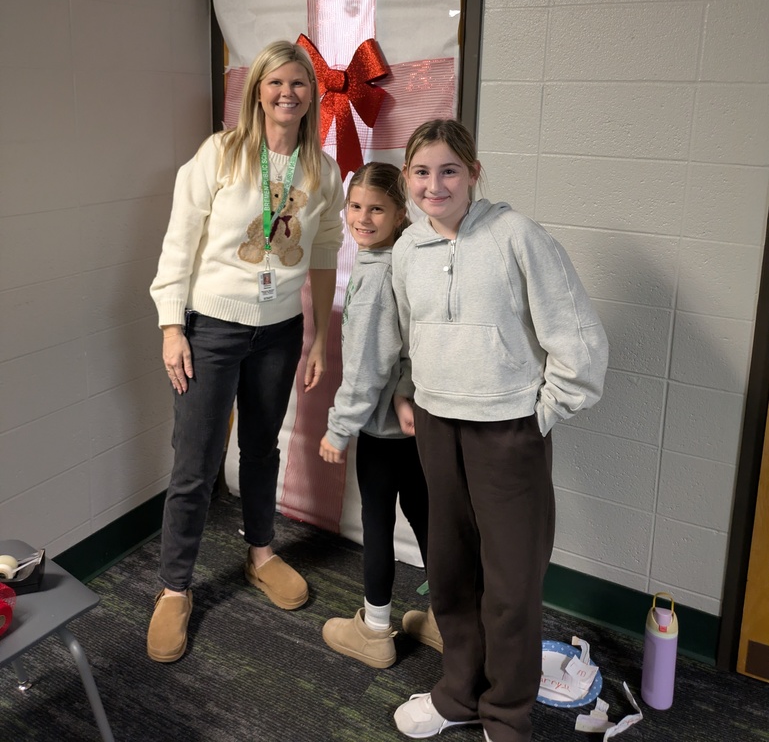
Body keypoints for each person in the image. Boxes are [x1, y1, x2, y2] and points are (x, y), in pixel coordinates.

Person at [391, 119, 609, 742]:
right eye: (422, 172)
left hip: (507, 430)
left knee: (511, 584)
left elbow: (577, 334)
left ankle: (506, 713)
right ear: (408, 179)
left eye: (449, 170)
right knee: (452, 573)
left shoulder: (516, 237)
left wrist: (545, 410)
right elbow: (411, 333)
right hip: (437, 427)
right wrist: (410, 392)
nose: (436, 185)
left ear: (474, 173)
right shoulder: (407, 249)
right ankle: (459, 692)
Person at [147, 40, 344, 663]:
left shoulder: (323, 170)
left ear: (313, 96)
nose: (288, 94)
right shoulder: (221, 156)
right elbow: (179, 245)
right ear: (256, 90)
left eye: (300, 85)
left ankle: (260, 552)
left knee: (262, 447)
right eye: (276, 83)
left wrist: (316, 336)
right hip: (213, 327)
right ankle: (174, 588)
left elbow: (322, 255)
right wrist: (171, 327)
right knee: (196, 461)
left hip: (280, 331)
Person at [318, 162, 441, 669]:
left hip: (382, 433)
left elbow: (367, 367)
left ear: (399, 212)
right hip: (419, 425)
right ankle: (448, 619)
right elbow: (417, 343)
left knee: (377, 524)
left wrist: (338, 427)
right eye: (354, 206)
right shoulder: (412, 257)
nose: (362, 218)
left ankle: (374, 630)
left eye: (376, 209)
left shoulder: (373, 277)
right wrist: (407, 389)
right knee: (428, 519)